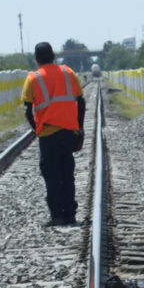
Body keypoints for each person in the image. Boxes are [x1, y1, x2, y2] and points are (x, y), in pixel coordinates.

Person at [22, 42, 86, 225]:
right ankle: (70, 214)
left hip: (47, 134)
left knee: (52, 176)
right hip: (68, 132)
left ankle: (57, 215)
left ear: (36, 59)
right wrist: (80, 128)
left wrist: (36, 130)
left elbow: (27, 109)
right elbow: (81, 101)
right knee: (67, 173)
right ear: (54, 56)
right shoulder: (68, 72)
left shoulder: (33, 78)